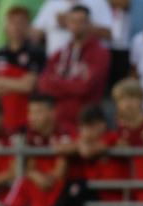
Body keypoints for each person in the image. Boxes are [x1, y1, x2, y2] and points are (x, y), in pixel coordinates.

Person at [37, 4, 110, 132]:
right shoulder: (58, 54)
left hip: (86, 125)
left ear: (89, 24)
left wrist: (57, 83)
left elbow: (85, 87)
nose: (77, 25)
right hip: (58, 125)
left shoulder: (100, 53)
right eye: (73, 21)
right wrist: (73, 84)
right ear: (67, 23)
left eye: (81, 21)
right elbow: (43, 85)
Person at [0, 5, 47, 133]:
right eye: (12, 23)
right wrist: (17, 83)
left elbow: (28, 86)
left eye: (21, 23)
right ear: (6, 26)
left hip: (27, 122)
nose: (16, 27)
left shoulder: (36, 54)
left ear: (28, 26)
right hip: (1, 123)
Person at [2, 94, 71, 206]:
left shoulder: (64, 135)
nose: (32, 117)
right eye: (30, 112)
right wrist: (35, 175)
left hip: (56, 189)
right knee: (23, 181)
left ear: (52, 113)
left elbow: (60, 172)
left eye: (37, 112)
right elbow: (18, 168)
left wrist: (41, 177)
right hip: (37, 187)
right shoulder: (27, 136)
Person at [112, 77, 143, 201]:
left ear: (142, 100)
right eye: (122, 99)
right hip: (125, 193)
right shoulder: (116, 130)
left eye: (132, 98)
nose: (127, 104)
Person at [31, 0, 112, 57]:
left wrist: (72, 23)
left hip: (87, 63)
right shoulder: (52, 3)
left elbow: (108, 34)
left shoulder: (98, 2)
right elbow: (35, 33)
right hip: (54, 64)